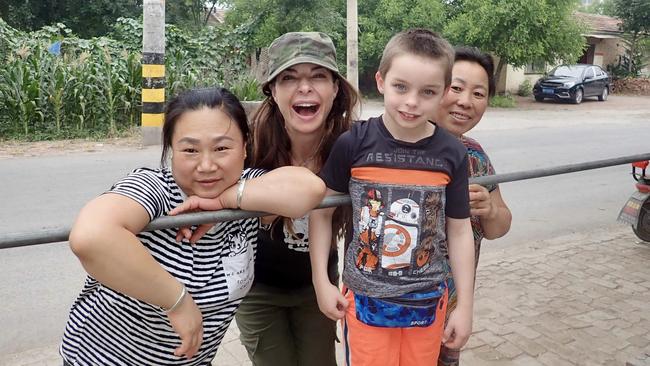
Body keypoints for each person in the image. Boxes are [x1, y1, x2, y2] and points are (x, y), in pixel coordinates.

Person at [59, 87, 326, 365]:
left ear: (245, 146)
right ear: (171, 151)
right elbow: (91, 236)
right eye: (190, 150)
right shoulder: (156, 189)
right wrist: (176, 301)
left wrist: (224, 201)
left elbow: (310, 189)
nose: (207, 165)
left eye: (222, 148)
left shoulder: (248, 189)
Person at [310, 29, 476, 366]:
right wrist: (320, 281)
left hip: (428, 300)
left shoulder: (451, 152)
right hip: (366, 300)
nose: (412, 102)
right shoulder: (354, 144)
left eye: (427, 92)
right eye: (401, 87)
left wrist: (466, 308)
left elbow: (459, 232)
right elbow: (320, 213)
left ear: (444, 93)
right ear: (382, 81)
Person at [234, 31, 358, 366]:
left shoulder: (353, 147)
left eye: (318, 75)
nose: (304, 87)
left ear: (335, 89)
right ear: (273, 92)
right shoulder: (247, 145)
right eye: (288, 78)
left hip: (317, 286)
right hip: (257, 290)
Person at [435, 46, 512, 366]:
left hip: (452, 309)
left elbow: (499, 227)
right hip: (398, 311)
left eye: (478, 93)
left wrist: (489, 210)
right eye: (456, 87)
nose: (466, 101)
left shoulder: (475, 155)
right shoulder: (398, 148)